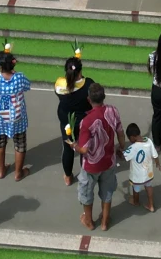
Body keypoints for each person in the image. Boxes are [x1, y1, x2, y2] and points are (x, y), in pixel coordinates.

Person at [73, 81, 123, 231]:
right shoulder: (113, 111)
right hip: (108, 161)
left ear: (89, 99)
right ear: (104, 97)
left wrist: (73, 145)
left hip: (91, 165)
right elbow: (120, 131)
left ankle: (89, 221)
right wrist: (121, 147)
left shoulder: (86, 122)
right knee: (107, 192)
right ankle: (105, 222)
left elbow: (83, 149)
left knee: (87, 192)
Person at [0, 46, 32, 180]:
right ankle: (18, 173)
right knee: (20, 144)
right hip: (16, 117)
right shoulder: (19, 77)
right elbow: (28, 86)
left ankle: (1, 170)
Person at [55, 54, 92, 189]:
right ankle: (85, 174)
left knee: (68, 148)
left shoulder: (59, 84)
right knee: (84, 148)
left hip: (67, 123)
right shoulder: (88, 84)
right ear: (80, 71)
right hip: (84, 123)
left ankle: (68, 177)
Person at [123, 122, 159, 211]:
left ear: (132, 137)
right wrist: (158, 164)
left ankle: (136, 201)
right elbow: (155, 155)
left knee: (136, 188)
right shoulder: (148, 141)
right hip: (148, 172)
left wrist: (119, 152)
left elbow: (124, 157)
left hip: (137, 175)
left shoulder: (132, 148)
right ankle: (151, 205)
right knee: (149, 186)